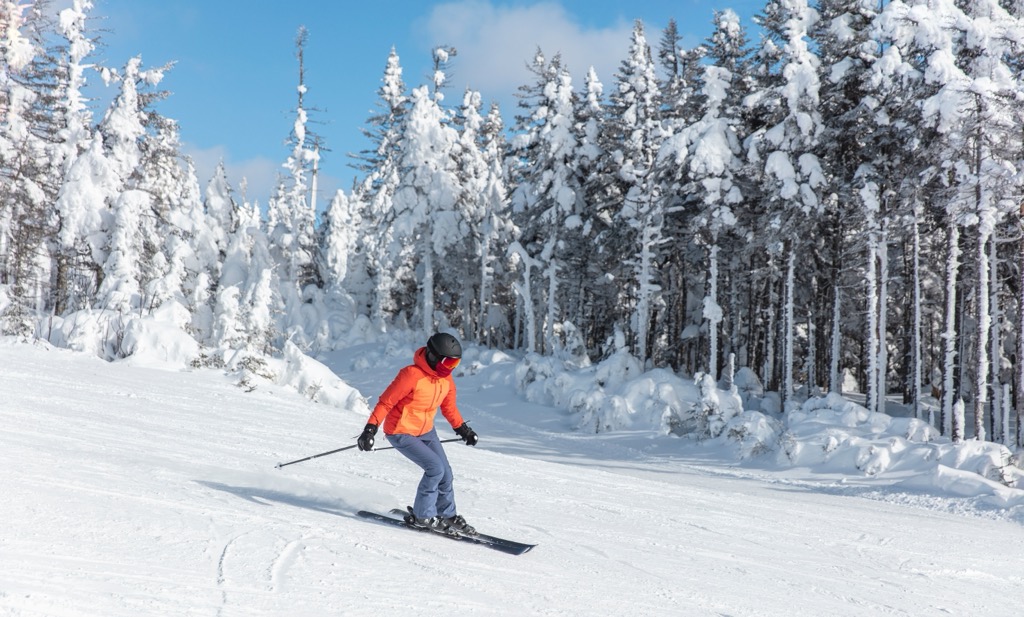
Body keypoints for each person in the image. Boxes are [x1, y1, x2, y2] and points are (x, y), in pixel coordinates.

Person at [357, 332, 479, 535]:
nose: (450, 369)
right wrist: (370, 429)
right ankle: (423, 515)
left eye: (454, 364)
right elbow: (386, 402)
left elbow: (449, 408)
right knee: (435, 468)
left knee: (446, 473)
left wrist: (463, 429)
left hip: (426, 431)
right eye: (447, 362)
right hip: (401, 430)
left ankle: (446, 513)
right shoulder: (411, 375)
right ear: (433, 356)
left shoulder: (445, 380)